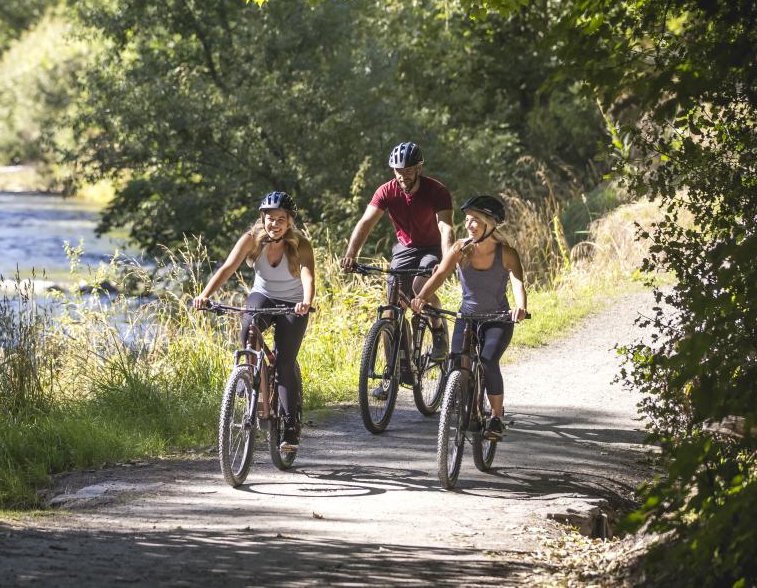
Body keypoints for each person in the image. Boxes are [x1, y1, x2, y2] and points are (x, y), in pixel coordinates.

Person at [193, 191, 316, 454]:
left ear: (290, 221)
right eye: (270, 219)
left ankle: (290, 427)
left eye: (281, 219)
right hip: (263, 296)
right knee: (249, 325)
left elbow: (307, 274)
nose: (275, 224)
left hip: (293, 303)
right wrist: (205, 295)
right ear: (263, 219)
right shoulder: (252, 240)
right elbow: (228, 268)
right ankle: (249, 378)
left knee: (284, 362)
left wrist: (305, 301)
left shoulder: (301, 244)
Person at [412, 194, 528, 440]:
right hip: (468, 317)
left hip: (498, 319)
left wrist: (520, 307)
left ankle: (496, 417)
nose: (469, 225)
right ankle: (467, 405)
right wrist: (421, 296)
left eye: (475, 220)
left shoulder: (507, 253)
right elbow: (440, 274)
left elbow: (518, 283)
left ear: (490, 223)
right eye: (467, 220)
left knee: (487, 361)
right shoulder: (460, 249)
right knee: (458, 361)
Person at [339, 141, 454, 359]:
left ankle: (438, 329)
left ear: (419, 169)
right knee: (391, 308)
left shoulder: (437, 191)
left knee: (421, 288)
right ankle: (392, 373)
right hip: (404, 249)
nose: (402, 176)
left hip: (431, 248)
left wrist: (448, 258)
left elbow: (445, 227)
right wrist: (350, 255)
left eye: (408, 171)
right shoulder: (386, 191)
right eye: (398, 171)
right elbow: (365, 223)